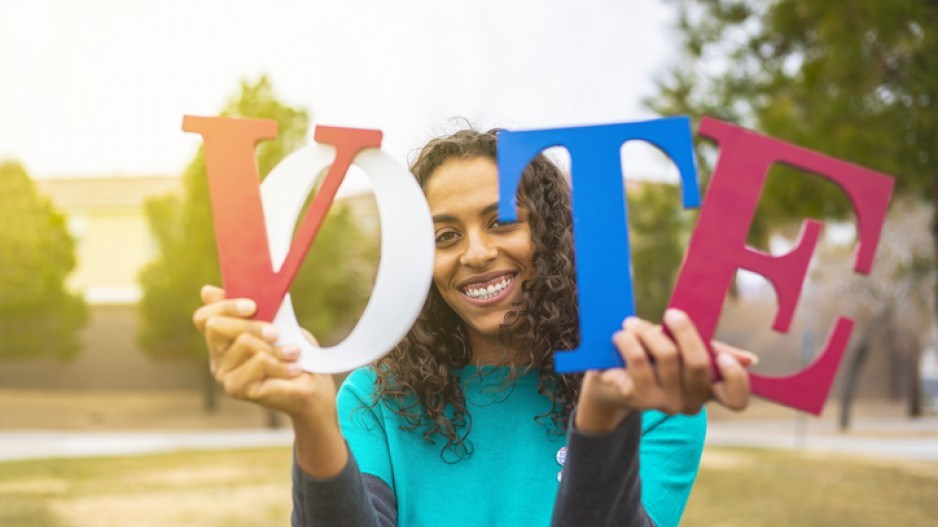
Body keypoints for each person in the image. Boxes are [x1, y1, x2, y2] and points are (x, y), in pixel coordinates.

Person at [193, 128, 752, 527]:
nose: (477, 254)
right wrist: (312, 415)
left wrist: (603, 421)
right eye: (445, 236)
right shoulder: (374, 398)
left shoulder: (649, 397)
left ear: (555, 238)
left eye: (503, 222)